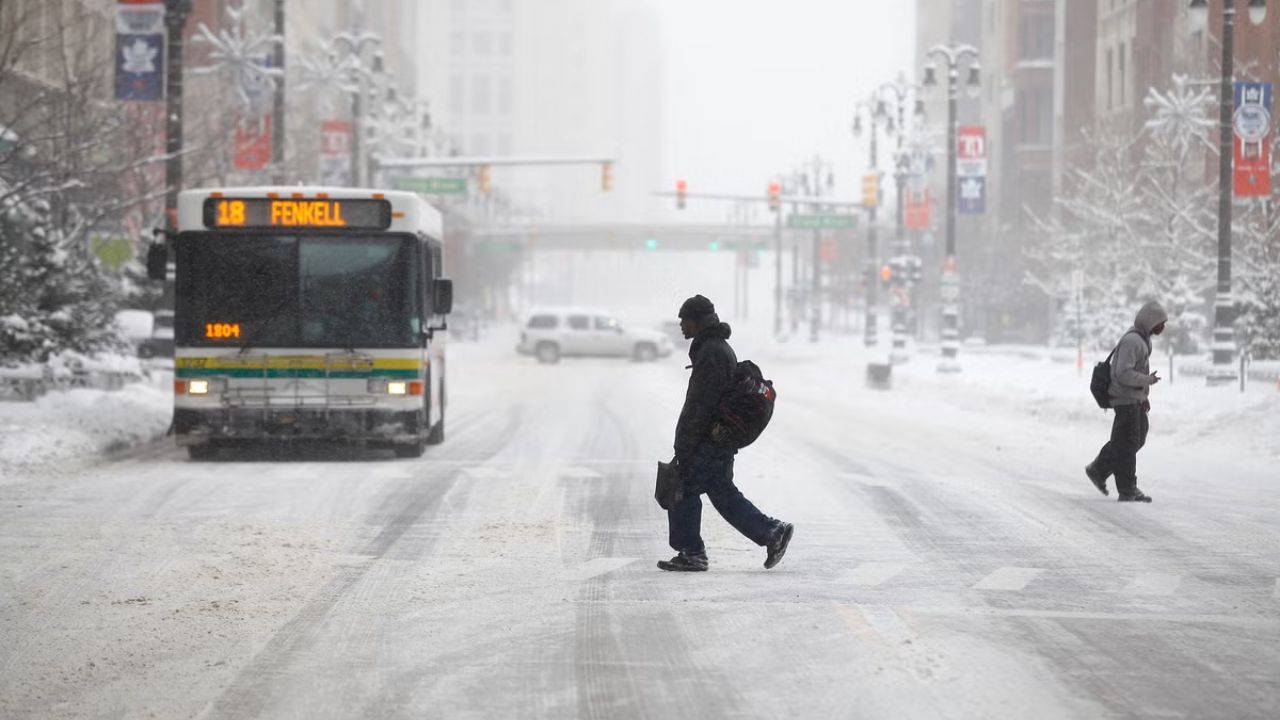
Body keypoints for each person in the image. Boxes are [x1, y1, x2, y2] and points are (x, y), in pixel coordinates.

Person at [658, 294, 793, 572]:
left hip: (710, 439)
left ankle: (693, 552)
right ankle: (770, 533)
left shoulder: (712, 353)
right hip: (717, 438)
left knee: (682, 487)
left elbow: (700, 404)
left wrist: (684, 444)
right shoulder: (714, 348)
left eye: (685, 319)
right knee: (722, 493)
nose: (681, 325)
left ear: (698, 321)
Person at [1085, 300, 1168, 503]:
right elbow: (1123, 373)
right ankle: (1127, 488)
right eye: (1160, 322)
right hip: (1125, 399)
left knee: (1132, 441)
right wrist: (1147, 381)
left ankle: (1099, 469)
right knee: (1127, 443)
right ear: (1150, 321)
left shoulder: (1142, 340)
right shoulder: (1134, 341)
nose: (1163, 327)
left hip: (1134, 399)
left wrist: (1143, 397)